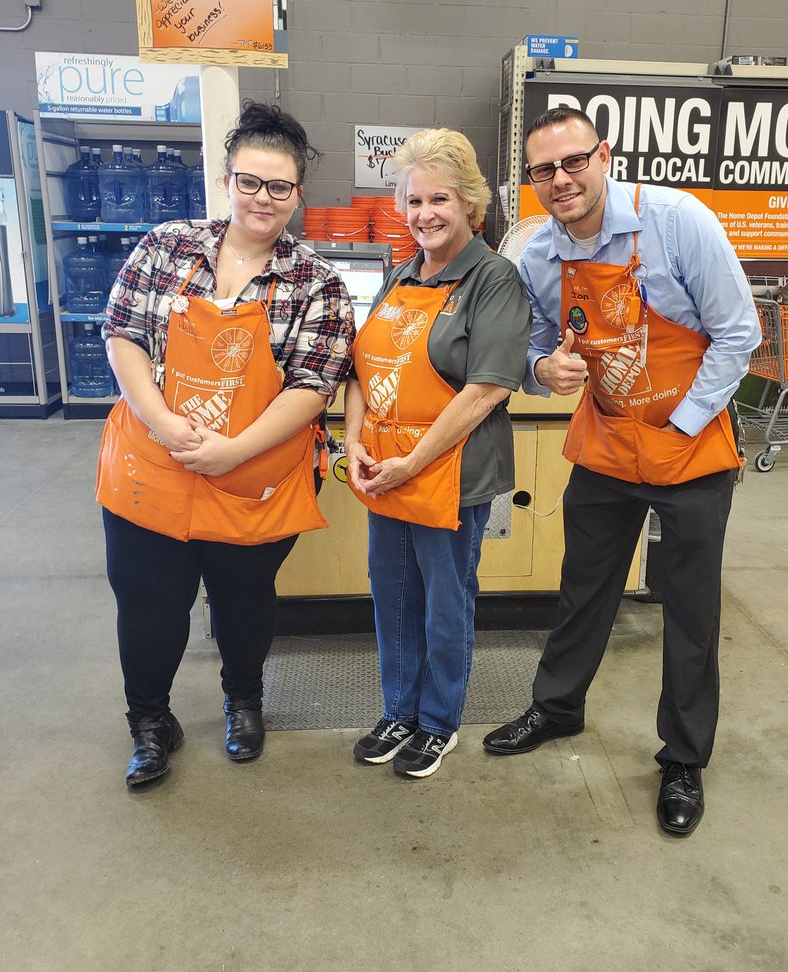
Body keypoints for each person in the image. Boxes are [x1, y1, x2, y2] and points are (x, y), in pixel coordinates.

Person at [482, 107, 761, 834]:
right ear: (532, 180)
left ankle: (683, 758)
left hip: (689, 443)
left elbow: (738, 332)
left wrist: (687, 419)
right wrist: (544, 367)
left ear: (604, 154)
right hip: (606, 443)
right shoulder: (537, 253)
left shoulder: (676, 220)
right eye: (544, 170)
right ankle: (557, 707)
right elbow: (535, 345)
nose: (562, 180)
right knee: (584, 588)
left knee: (690, 609)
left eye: (574, 161)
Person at [98, 101, 356, 789]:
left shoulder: (318, 284)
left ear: (298, 193)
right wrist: (158, 420)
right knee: (149, 606)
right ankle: (150, 722)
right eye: (249, 181)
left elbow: (314, 383)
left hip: (252, 480)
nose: (262, 198)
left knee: (244, 604)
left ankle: (245, 701)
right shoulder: (166, 246)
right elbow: (122, 333)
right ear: (226, 179)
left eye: (279, 186)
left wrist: (232, 449)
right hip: (151, 468)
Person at [344, 128, 531, 778]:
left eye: (439, 199)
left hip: (450, 474)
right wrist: (355, 444)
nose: (424, 213)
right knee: (391, 596)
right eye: (414, 200)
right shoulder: (399, 276)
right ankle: (398, 709)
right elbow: (364, 370)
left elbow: (485, 390)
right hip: (386, 470)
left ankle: (437, 721)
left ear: (470, 206)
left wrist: (412, 461)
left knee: (445, 601)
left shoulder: (492, 279)